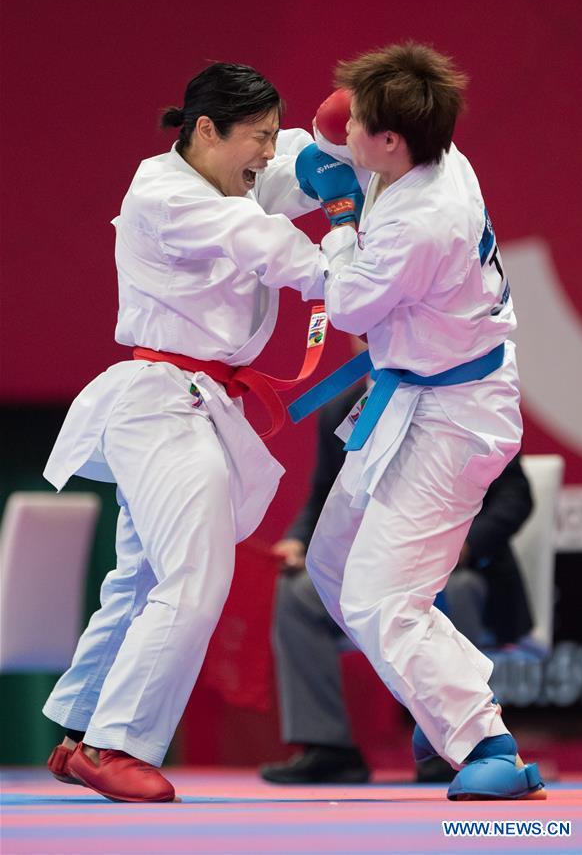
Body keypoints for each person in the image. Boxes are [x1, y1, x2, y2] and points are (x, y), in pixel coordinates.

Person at [40, 62, 360, 803]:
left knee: (147, 577)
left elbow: (282, 185)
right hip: (162, 404)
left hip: (192, 403)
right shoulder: (166, 192)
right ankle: (117, 745)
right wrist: (345, 231)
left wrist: (330, 151)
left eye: (275, 138)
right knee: (195, 573)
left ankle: (84, 731)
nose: (268, 154)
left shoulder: (226, 179)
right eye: (259, 138)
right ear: (206, 130)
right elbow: (278, 250)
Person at [290, 43, 546, 800]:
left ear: (392, 140)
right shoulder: (432, 151)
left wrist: (338, 211)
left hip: (457, 415)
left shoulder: (423, 222)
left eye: (361, 124)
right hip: (416, 394)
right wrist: (333, 141)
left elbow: (347, 306)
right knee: (332, 565)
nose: (349, 128)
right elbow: (356, 126)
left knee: (380, 598)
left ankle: (487, 744)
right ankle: (440, 704)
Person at [260, 394, 533, 783]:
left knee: (452, 589)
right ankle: (327, 747)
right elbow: (323, 497)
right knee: (301, 592)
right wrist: (300, 541)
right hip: (372, 566)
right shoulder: (346, 410)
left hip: (460, 566)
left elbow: (514, 497)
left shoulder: (460, 400)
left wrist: (463, 546)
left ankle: (459, 734)